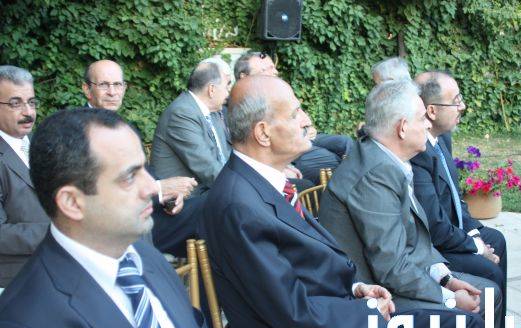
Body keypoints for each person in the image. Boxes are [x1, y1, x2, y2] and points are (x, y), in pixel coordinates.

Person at [203, 75, 501, 328]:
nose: (306, 121)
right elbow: (290, 312)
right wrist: (368, 311)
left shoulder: (263, 185)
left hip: (333, 325)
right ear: (263, 133)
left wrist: (358, 289)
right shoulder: (238, 205)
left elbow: (303, 272)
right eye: (295, 113)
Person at [0, 107, 245, 328]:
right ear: (72, 202)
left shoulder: (143, 256)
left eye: (144, 169)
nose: (151, 187)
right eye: (129, 177)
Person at [318, 80, 504, 328]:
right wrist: (450, 299)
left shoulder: (386, 159)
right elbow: (391, 268)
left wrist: (446, 279)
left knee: (489, 294)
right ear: (402, 127)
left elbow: (415, 240)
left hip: (395, 280)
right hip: (377, 298)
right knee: (472, 317)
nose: (428, 124)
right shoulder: (375, 175)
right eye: (421, 118)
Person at [411, 71, 509, 328]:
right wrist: (477, 248)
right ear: (432, 111)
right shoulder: (418, 152)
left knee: (496, 239)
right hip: (437, 245)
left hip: (452, 233)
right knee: (488, 272)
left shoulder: (442, 139)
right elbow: (436, 227)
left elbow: (456, 199)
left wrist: (475, 235)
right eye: (455, 101)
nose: (462, 106)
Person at [83, 59, 200, 257]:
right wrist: (159, 190)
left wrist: (170, 196)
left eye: (117, 84)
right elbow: (100, 191)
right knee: (212, 210)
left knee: (214, 208)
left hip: (150, 214)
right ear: (87, 89)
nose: (112, 92)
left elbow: (146, 172)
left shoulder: (128, 127)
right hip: (116, 229)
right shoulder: (79, 131)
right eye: (104, 85)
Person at [234, 51, 353, 185]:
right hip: (286, 146)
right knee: (331, 161)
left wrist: (307, 127)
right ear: (244, 77)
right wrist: (283, 166)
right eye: (264, 70)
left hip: (305, 135)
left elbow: (302, 117)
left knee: (345, 143)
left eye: (273, 67)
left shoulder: (280, 89)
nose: (274, 72)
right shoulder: (242, 107)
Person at [151, 60, 231, 198]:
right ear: (211, 89)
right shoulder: (182, 113)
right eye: (226, 87)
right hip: (183, 202)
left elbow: (226, 156)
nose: (228, 93)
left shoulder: (212, 111)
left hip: (209, 192)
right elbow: (208, 168)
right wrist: (244, 189)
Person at [0, 65, 49, 288]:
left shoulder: (42, 144)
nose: (28, 112)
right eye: (15, 103)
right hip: (15, 282)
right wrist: (61, 231)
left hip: (55, 269)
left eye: (31, 102)